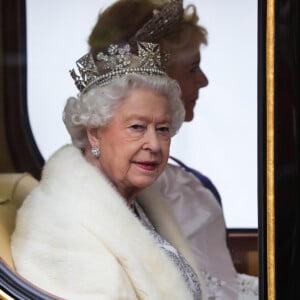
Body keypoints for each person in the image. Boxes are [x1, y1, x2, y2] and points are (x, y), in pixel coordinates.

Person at [10, 11, 208, 299]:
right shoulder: (61, 227)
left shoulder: (138, 203)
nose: (154, 144)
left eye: (163, 129)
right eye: (137, 127)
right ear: (94, 132)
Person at [88, 0, 258, 299]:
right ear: (154, 79)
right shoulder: (109, 189)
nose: (203, 81)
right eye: (192, 68)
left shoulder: (182, 182)